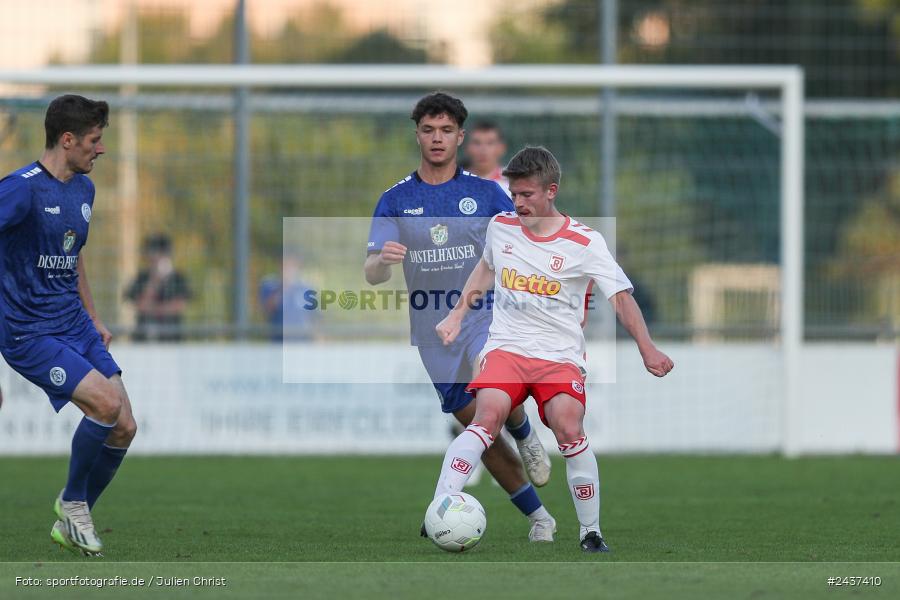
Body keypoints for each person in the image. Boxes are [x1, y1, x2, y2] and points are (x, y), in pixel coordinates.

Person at [434, 146, 674, 552]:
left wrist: (647, 347)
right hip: (507, 347)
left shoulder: (585, 241)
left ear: (551, 191)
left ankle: (590, 532)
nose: (518, 203)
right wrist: (457, 314)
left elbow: (621, 297)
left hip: (559, 357)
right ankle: (440, 507)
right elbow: (486, 269)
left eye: (527, 194)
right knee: (486, 416)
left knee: (567, 427)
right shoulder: (501, 227)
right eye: (514, 194)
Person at [365, 92, 557, 542]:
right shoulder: (396, 199)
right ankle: (540, 517)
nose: (437, 138)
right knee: (480, 431)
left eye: (446, 130)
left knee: (492, 400)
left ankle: (525, 433)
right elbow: (371, 273)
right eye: (429, 130)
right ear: (418, 135)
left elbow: (522, 247)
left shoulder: (486, 193)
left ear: (460, 137)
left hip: (483, 315)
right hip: (432, 330)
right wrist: (382, 262)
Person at [0, 95, 137, 556]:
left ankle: (74, 516)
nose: (100, 150)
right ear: (67, 139)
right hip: (27, 332)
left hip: (73, 322)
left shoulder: (83, 190)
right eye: (94, 141)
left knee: (125, 425)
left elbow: (71, 253)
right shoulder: (20, 189)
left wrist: (94, 316)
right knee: (104, 403)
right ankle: (74, 503)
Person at [124, 234, 191, 341]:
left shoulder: (177, 278)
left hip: (171, 338)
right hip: (143, 338)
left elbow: (179, 306)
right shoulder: (142, 278)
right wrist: (155, 280)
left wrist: (154, 309)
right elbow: (139, 305)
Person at [259, 250, 316, 341]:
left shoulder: (306, 287)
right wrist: (283, 286)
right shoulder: (269, 284)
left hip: (302, 341)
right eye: (284, 265)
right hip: (279, 341)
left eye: (291, 265)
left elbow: (314, 317)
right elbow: (268, 310)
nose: (288, 269)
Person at [464, 120, 509, 195]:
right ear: (467, 148)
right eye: (477, 143)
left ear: (502, 148)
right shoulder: (453, 183)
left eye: (490, 143)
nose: (483, 150)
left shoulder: (514, 184)